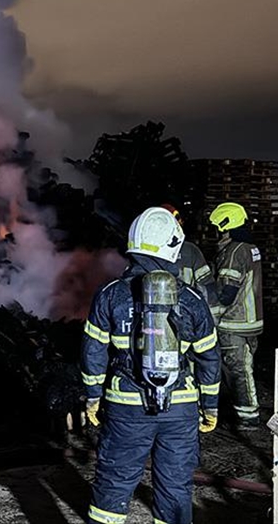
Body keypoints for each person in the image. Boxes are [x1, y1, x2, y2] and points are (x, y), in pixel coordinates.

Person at [82, 207, 220, 524]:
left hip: (126, 409)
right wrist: (210, 406)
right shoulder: (192, 299)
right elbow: (209, 358)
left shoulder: (109, 295)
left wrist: (92, 395)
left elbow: (93, 352)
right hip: (180, 409)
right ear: (174, 247)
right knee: (175, 492)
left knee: (112, 489)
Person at [208, 202, 264, 429]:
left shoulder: (233, 252)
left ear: (225, 226)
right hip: (249, 322)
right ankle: (242, 412)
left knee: (238, 371)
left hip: (234, 323)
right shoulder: (250, 248)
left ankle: (248, 417)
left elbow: (226, 292)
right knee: (242, 369)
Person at [160, 204, 219, 316]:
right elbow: (207, 287)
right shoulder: (190, 250)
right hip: (186, 318)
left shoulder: (145, 254)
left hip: (154, 322)